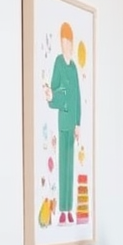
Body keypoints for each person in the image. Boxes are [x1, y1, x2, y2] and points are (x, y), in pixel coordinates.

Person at [43, 21, 81, 224]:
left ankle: (69, 208)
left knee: (71, 166)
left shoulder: (74, 67)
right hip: (63, 120)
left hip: (72, 121)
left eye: (70, 41)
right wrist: (51, 96)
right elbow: (55, 89)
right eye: (66, 41)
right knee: (63, 164)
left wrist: (78, 123)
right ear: (62, 42)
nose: (69, 45)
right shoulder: (59, 62)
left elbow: (77, 96)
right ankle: (64, 209)